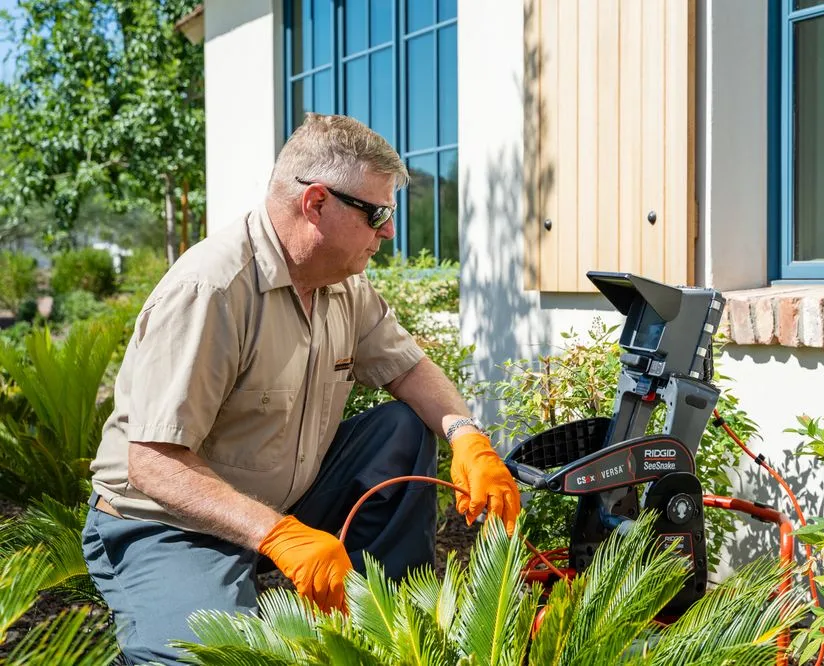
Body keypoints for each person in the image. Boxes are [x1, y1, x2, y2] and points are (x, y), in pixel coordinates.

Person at [82, 113, 521, 665]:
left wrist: (465, 437)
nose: (388, 231)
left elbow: (408, 369)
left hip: (285, 498)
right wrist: (277, 536)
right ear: (316, 204)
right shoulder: (212, 290)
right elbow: (151, 463)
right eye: (377, 213)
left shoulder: (344, 287)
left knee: (405, 428)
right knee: (212, 658)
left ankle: (390, 622)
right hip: (165, 522)